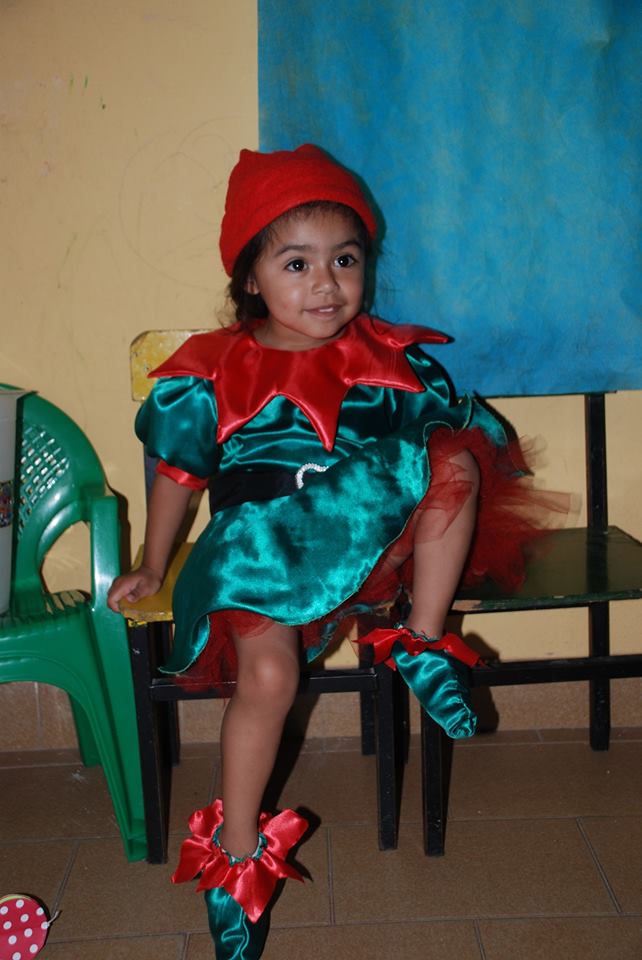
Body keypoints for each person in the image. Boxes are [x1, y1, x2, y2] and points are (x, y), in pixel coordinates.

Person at [108, 144, 554, 959]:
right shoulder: (213, 370)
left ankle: (420, 643)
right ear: (250, 278)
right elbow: (179, 476)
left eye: (345, 260)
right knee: (269, 679)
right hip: (257, 554)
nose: (327, 284)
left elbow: (444, 454)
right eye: (297, 263)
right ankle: (236, 859)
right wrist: (151, 560)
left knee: (453, 455)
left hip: (361, 545)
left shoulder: (384, 360)